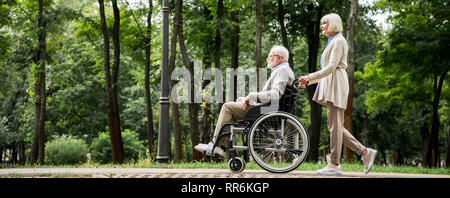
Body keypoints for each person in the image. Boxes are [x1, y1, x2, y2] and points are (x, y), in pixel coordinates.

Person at [298, 13, 377, 175]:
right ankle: (364, 152)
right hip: (332, 83)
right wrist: (308, 81)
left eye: (324, 24)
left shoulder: (339, 41)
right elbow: (328, 69)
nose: (322, 27)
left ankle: (334, 164)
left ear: (333, 24)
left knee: (334, 127)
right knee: (335, 126)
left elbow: (331, 67)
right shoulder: (333, 41)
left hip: (336, 84)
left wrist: (309, 77)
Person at [195, 45, 295, 157]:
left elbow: (275, 95)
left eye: (270, 56)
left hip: (266, 111)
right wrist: (247, 99)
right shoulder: (283, 70)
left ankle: (217, 146)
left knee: (227, 107)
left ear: (280, 58)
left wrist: (251, 97)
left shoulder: (282, 70)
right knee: (233, 107)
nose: (267, 59)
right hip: (267, 108)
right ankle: (220, 146)